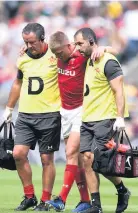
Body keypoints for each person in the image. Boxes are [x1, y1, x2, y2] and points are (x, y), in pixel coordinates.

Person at [45, 31, 119, 213]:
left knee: (71, 151)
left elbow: (113, 50)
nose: (58, 57)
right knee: (78, 160)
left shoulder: (82, 55)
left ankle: (61, 199)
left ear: (69, 45)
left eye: (60, 53)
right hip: (64, 111)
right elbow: (40, 51)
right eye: (55, 54)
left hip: (81, 110)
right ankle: (85, 200)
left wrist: (104, 48)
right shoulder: (56, 54)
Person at [3, 23, 61, 211]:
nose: (28, 46)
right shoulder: (23, 59)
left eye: (32, 42)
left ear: (43, 38)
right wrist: (9, 108)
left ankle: (45, 200)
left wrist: (103, 48)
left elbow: (75, 48)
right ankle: (30, 197)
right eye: (25, 42)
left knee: (46, 160)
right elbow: (18, 83)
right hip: (26, 115)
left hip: (49, 115)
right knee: (18, 154)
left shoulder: (56, 55)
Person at [74, 27, 131, 213]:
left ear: (91, 41)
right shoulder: (89, 59)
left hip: (105, 118)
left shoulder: (108, 61)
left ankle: (122, 190)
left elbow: (119, 90)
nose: (77, 48)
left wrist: (120, 118)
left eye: (80, 43)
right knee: (86, 160)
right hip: (88, 118)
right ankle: (96, 206)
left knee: (101, 163)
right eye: (76, 44)